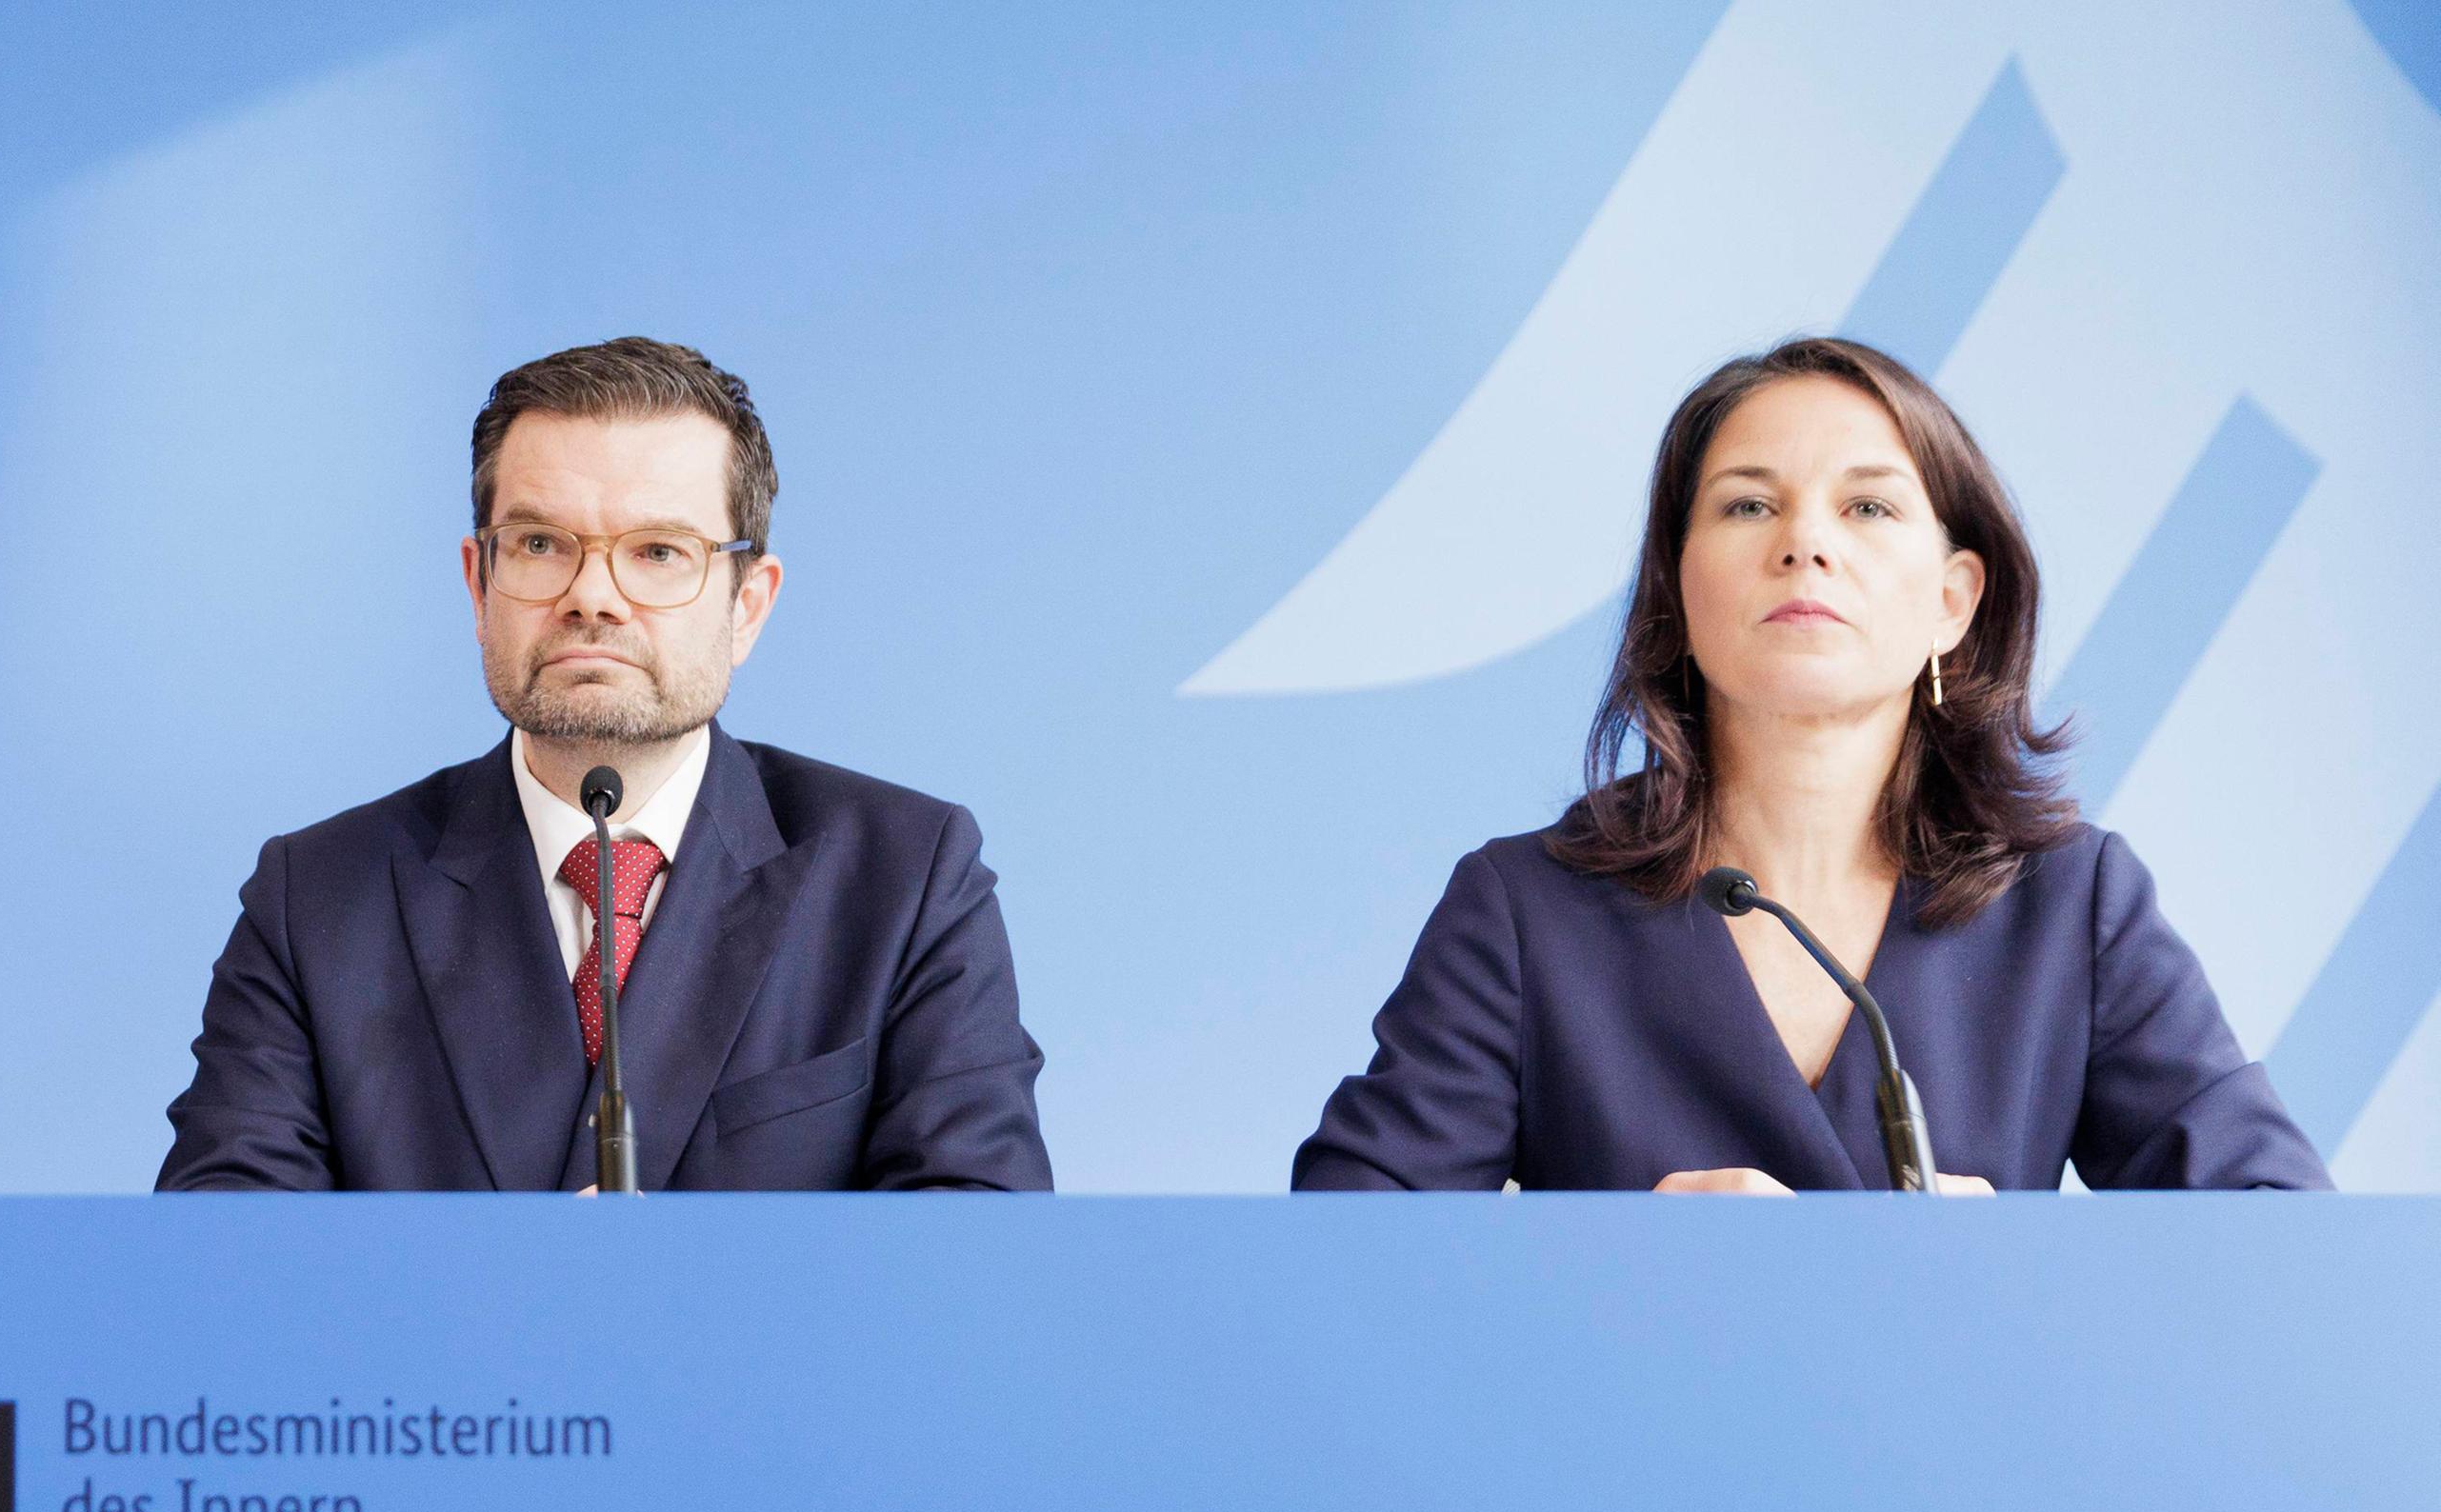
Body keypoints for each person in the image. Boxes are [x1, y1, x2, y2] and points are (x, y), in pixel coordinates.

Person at [1295, 337, 2327, 1193]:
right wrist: (1599, 1265)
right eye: (1748, 506)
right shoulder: (1524, 911)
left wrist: (2027, 1267)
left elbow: (2276, 1246)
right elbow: (1344, 1264)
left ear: (1953, 603)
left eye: (1869, 508)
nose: (1806, 545)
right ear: (1675, 595)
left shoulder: (2071, 907)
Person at [159, 337, 1050, 1191]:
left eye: (659, 553)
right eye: (542, 545)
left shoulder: (905, 878)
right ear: (479, 584)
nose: (592, 596)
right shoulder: (315, 900)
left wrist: (673, 1292)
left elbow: (973, 1244)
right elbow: (228, 1270)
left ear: (748, 605)